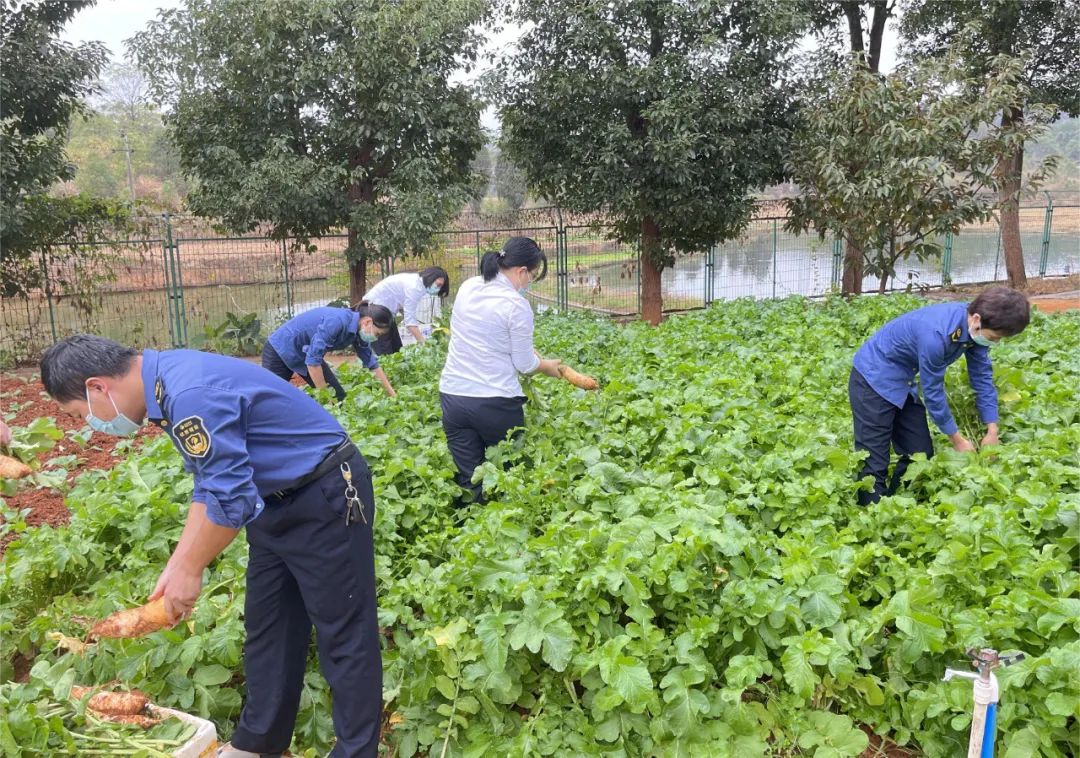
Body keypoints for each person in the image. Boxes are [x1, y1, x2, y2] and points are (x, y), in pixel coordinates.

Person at [39, 335, 381, 757]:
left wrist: (192, 568)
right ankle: (257, 743)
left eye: (80, 414)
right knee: (269, 627)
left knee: (344, 633)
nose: (89, 423)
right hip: (272, 503)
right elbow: (212, 482)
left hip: (324, 495)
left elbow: (231, 498)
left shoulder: (188, 393)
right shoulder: (164, 384)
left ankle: (356, 751)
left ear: (97, 387)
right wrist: (180, 562)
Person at [849, 287, 1030, 505]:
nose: (995, 343)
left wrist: (992, 429)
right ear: (976, 319)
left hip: (904, 381)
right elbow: (933, 392)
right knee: (874, 460)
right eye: (994, 337)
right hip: (873, 378)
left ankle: (899, 503)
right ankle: (871, 515)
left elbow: (982, 377)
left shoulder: (973, 330)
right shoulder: (936, 335)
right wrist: (958, 440)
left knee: (919, 453)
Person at [439, 237, 562, 504]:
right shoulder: (516, 306)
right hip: (495, 402)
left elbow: (484, 334)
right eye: (531, 276)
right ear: (521, 272)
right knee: (509, 473)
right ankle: (508, 529)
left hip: (453, 397)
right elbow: (525, 365)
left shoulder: (469, 286)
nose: (529, 283)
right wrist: (547, 367)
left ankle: (471, 531)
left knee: (469, 477)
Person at [262, 303, 397, 401]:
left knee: (339, 399)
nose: (376, 338)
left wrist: (393, 395)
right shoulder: (337, 321)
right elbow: (313, 362)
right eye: (378, 334)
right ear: (368, 322)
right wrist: (327, 400)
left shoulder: (358, 332)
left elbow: (372, 364)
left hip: (308, 354)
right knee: (273, 401)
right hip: (280, 349)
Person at [362, 267, 450, 355]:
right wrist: (423, 343)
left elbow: (405, 307)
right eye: (438, 285)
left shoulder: (418, 284)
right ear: (431, 277)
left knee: (396, 351)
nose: (438, 289)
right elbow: (410, 323)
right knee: (384, 354)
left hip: (386, 313)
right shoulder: (414, 288)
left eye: (440, 286)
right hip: (376, 313)